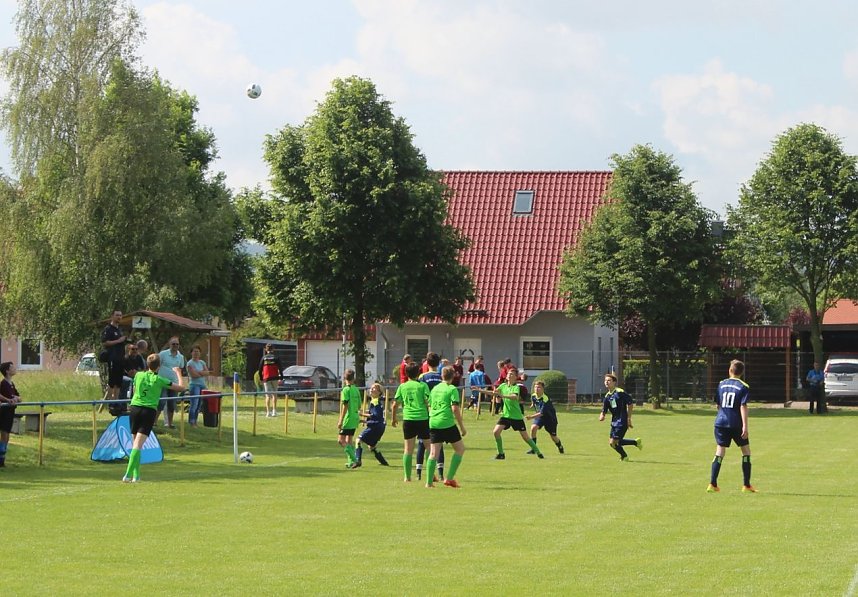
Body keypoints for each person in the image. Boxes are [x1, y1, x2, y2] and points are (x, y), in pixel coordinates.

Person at [123, 354, 186, 482]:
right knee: (138, 445)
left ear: (147, 364)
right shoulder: (159, 379)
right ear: (159, 366)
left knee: (135, 443)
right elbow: (181, 388)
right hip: (148, 411)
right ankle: (128, 474)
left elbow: (135, 391)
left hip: (135, 409)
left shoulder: (139, 375)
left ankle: (136, 476)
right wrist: (178, 373)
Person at [708, 359, 757, 493]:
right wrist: (745, 426)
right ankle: (746, 485)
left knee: (720, 451)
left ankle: (712, 484)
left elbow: (718, 405)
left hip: (720, 423)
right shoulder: (743, 386)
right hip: (736, 423)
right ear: (742, 372)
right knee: (746, 452)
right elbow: (743, 406)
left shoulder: (721, 384)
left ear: (730, 370)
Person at [390, 361, 432, 482]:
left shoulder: (402, 387)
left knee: (408, 449)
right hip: (422, 419)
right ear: (418, 373)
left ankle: (407, 477)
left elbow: (394, 405)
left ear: (406, 374)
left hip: (408, 419)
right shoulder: (423, 386)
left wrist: (393, 419)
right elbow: (428, 401)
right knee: (429, 447)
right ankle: (430, 475)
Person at [426, 366, 467, 488]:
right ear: (453, 376)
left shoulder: (434, 389)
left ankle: (428, 483)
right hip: (447, 422)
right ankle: (448, 479)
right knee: (460, 449)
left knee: (433, 453)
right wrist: (462, 427)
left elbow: (429, 404)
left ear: (441, 376)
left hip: (433, 422)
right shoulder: (452, 389)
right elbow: (455, 408)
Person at [492, 367, 543, 459]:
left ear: (516, 377)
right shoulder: (503, 386)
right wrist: (479, 390)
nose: (509, 375)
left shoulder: (516, 387)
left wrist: (502, 395)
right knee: (496, 432)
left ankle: (538, 452)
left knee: (525, 437)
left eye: (512, 374)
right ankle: (501, 454)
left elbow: (514, 397)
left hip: (516, 416)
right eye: (508, 374)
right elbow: (495, 393)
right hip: (506, 415)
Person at [599, 373, 642, 461]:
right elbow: (604, 410)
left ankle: (627, 453)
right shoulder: (607, 396)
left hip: (622, 420)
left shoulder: (620, 392)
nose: (607, 382)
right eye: (605, 380)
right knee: (612, 444)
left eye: (609, 380)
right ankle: (627, 452)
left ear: (614, 382)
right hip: (614, 422)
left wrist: (629, 418)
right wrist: (602, 415)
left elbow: (630, 403)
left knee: (615, 441)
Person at [417, 352, 445, 480]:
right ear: (439, 364)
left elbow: (420, 395)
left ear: (426, 363)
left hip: (425, 413)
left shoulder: (422, 377)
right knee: (438, 443)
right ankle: (440, 472)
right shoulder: (442, 378)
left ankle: (419, 472)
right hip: (439, 413)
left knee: (422, 442)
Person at [355, 383, 389, 466]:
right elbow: (374, 413)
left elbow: (374, 415)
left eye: (374, 389)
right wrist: (364, 414)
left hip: (375, 426)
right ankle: (384, 463)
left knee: (358, 441)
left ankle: (358, 461)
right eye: (371, 388)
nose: (371, 389)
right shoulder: (377, 401)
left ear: (379, 392)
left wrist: (362, 416)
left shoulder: (375, 401)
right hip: (381, 427)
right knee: (372, 446)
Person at [526, 380, 564, 454]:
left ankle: (560, 446)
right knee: (533, 428)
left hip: (550, 418)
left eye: (539, 387)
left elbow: (541, 413)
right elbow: (534, 401)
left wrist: (531, 417)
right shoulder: (533, 396)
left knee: (553, 436)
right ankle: (534, 448)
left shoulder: (545, 399)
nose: (537, 389)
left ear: (543, 389)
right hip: (540, 417)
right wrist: (532, 404)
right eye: (535, 387)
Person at [157, 337, 186, 428]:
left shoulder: (180, 357)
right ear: (170, 345)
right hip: (162, 382)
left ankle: (170, 423)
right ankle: (154, 422)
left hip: (174, 383)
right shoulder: (163, 354)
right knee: (161, 402)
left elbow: (180, 368)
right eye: (173, 344)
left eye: (177, 344)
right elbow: (157, 365)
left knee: (172, 404)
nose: (175, 346)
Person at [101, 309, 127, 405]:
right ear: (112, 316)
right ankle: (111, 402)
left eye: (120, 315)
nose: (119, 317)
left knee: (119, 381)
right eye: (117, 315)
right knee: (112, 381)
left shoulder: (119, 330)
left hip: (120, 358)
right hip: (112, 358)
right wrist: (119, 341)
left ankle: (116, 401)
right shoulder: (108, 329)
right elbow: (105, 342)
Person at [336, 369, 361, 468]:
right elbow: (359, 405)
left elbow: (345, 406)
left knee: (341, 440)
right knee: (349, 439)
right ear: (353, 378)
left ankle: (355, 459)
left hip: (348, 418)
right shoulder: (356, 389)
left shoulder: (345, 390)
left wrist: (340, 420)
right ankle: (351, 462)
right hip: (355, 417)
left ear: (344, 378)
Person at [0, 362, 22, 467]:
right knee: (4, 435)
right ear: (7, 371)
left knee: (7, 436)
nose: (15, 368)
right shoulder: (3, 383)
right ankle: (1, 460)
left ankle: (3, 458)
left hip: (10, 412)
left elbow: (19, 397)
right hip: (4, 412)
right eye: (12, 367)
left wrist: (16, 398)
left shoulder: (11, 384)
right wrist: (9, 399)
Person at [186, 345, 210, 427]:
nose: (196, 353)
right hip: (194, 386)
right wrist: (201, 373)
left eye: (197, 351)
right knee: (194, 404)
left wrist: (199, 372)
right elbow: (193, 375)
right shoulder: (190, 363)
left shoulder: (202, 362)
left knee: (199, 405)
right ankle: (191, 421)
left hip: (202, 385)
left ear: (200, 353)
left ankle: (195, 421)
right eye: (194, 351)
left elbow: (207, 373)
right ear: (191, 353)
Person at [258, 343, 282, 417]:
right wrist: (281, 377)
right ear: (273, 349)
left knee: (267, 395)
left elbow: (260, 369)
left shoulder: (264, 358)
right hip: (275, 377)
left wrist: (261, 378)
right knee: (274, 394)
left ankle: (268, 412)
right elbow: (280, 368)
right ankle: (274, 411)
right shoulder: (276, 357)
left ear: (266, 349)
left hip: (266, 378)